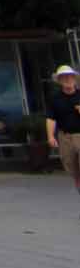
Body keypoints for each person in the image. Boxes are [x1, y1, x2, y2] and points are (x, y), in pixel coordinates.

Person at [46, 64, 80, 197]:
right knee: (72, 170)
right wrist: (50, 136)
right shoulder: (55, 99)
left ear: (74, 79)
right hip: (64, 137)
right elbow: (50, 118)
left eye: (70, 77)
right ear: (59, 81)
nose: (67, 80)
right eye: (64, 78)